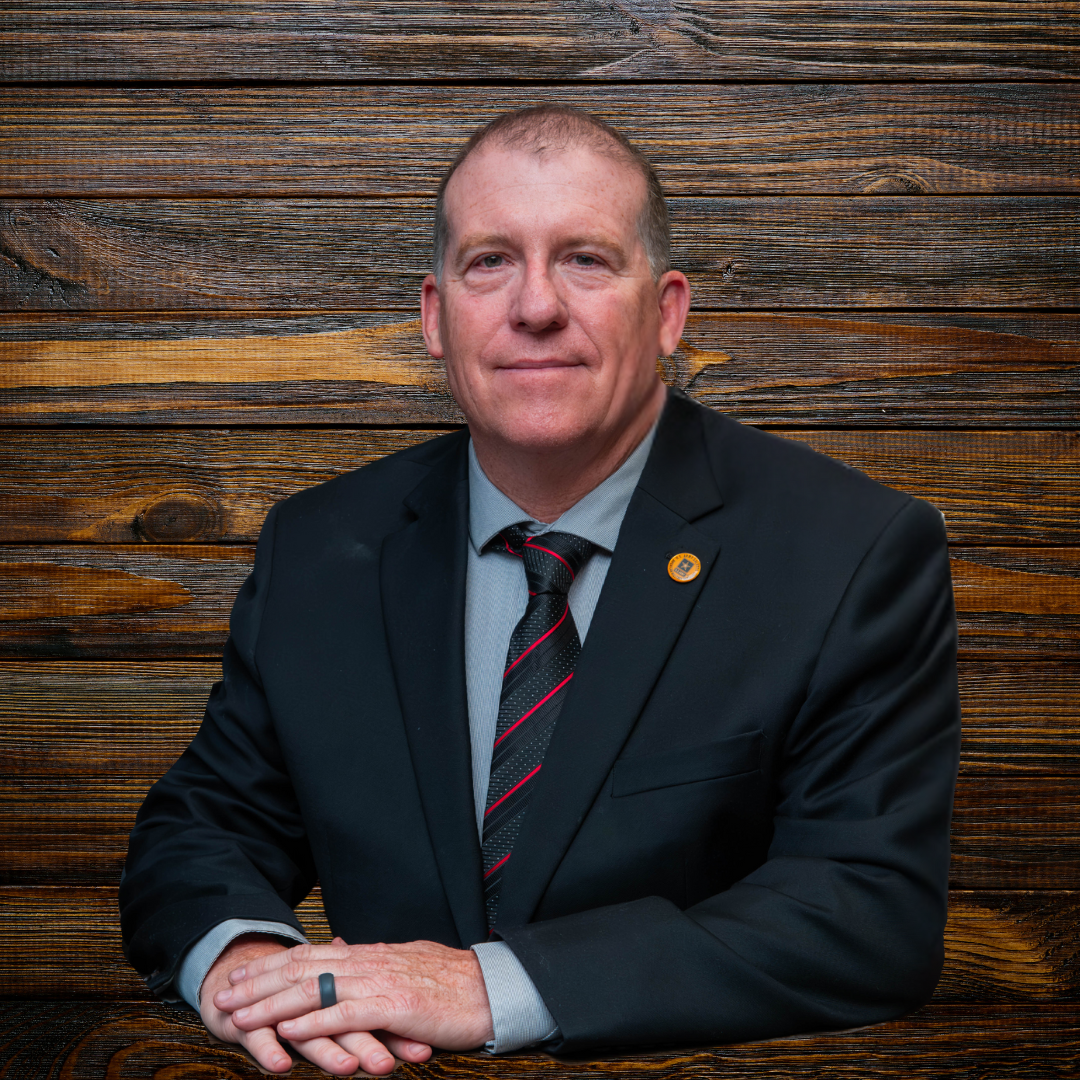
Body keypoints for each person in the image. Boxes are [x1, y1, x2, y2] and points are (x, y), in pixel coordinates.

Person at [120, 106, 961, 1076]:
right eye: (490, 262)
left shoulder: (849, 550)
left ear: (669, 312)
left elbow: (868, 913)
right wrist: (249, 964)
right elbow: (206, 827)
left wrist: (493, 987)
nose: (535, 307)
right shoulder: (320, 547)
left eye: (586, 260)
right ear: (435, 317)